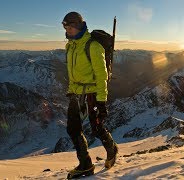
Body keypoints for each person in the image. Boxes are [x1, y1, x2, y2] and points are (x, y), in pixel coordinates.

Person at [62, 11, 118, 177]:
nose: (67, 30)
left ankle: (112, 148)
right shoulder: (70, 46)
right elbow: (72, 72)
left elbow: (101, 76)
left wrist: (101, 102)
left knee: (97, 128)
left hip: (92, 93)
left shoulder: (93, 46)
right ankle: (85, 164)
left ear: (79, 26)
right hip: (76, 93)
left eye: (70, 26)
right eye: (65, 26)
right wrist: (71, 91)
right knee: (73, 129)